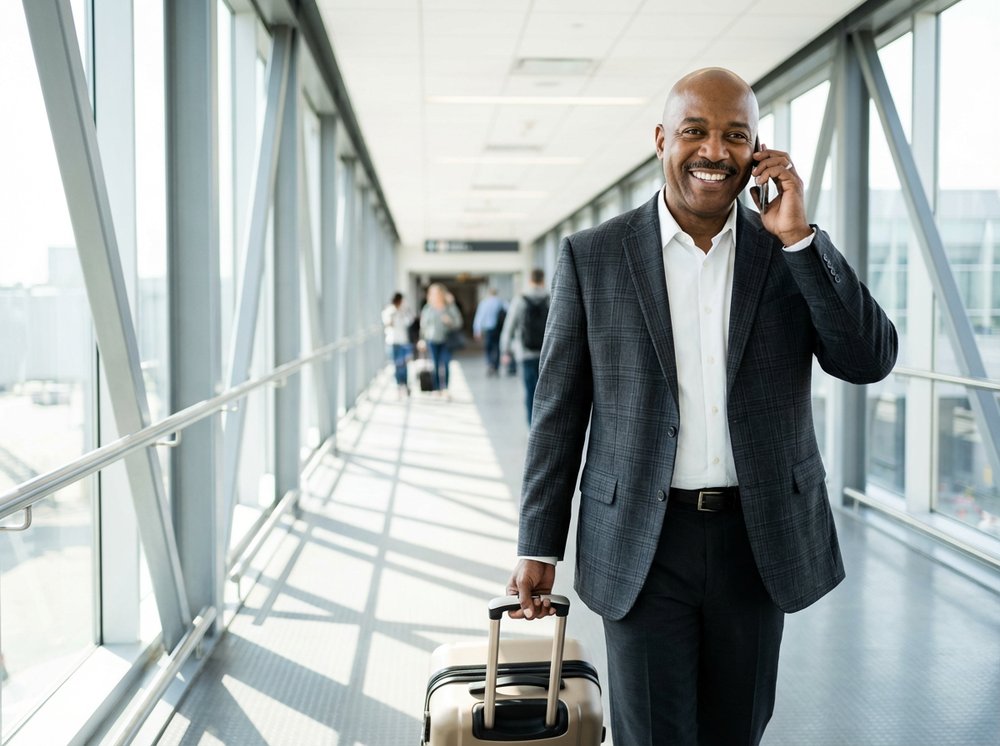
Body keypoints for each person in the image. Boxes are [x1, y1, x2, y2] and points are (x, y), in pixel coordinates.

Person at [506, 67, 898, 745]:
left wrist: (802, 241)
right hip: (641, 541)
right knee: (654, 735)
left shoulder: (785, 254)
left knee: (736, 732)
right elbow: (559, 411)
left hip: (758, 537)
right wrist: (538, 541)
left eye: (734, 136)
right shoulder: (594, 257)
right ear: (662, 139)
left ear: (756, 153)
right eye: (695, 131)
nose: (714, 151)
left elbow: (867, 360)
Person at [500, 269, 549, 424]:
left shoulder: (520, 300)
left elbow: (509, 327)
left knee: (530, 391)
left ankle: (531, 426)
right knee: (547, 392)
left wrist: (505, 350)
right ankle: (544, 425)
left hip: (525, 353)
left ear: (530, 280)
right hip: (547, 353)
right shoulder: (550, 297)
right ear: (543, 280)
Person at [419, 283, 463, 398]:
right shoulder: (428, 308)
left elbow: (458, 322)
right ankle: (437, 388)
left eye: (438, 293)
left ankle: (446, 388)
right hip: (432, 340)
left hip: (446, 340)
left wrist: (449, 321)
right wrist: (422, 339)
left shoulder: (449, 307)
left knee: (446, 364)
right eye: (434, 294)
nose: (436, 296)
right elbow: (423, 325)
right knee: (435, 365)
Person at [381, 292, 414, 399]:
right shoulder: (389, 311)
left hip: (403, 341)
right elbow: (388, 323)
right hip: (392, 342)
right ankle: (398, 386)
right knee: (396, 365)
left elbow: (409, 321)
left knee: (404, 365)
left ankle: (404, 384)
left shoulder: (404, 311)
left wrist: (404, 311)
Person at [472, 287, 507, 376]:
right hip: (499, 329)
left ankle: (489, 364)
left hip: (488, 329)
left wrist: (477, 330)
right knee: (497, 347)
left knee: (488, 347)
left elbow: (479, 317)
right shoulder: (501, 302)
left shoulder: (484, 303)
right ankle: (496, 366)